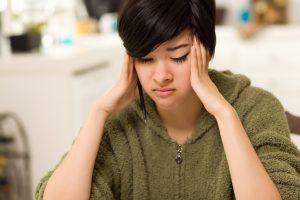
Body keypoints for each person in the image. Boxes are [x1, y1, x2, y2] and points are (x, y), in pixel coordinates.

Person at [35, 0, 300, 199]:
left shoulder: (256, 108)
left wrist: (224, 114)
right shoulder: (118, 125)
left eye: (178, 56)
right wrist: (98, 113)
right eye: (145, 59)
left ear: (206, 50)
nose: (161, 76)